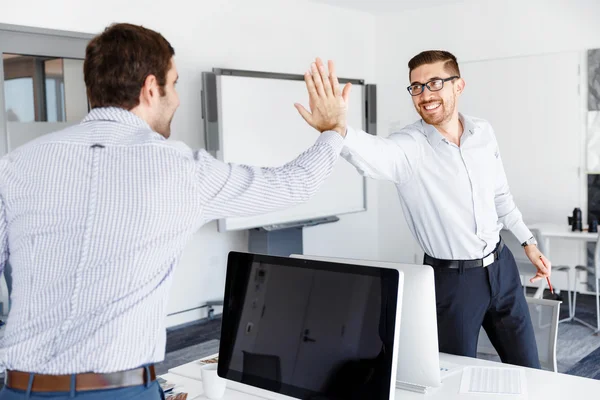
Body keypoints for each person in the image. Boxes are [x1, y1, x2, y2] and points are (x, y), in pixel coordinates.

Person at [0, 23, 351, 399]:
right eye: (175, 83)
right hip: (120, 391)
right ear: (152, 88)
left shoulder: (16, 165)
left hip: (19, 388)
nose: (179, 99)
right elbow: (294, 183)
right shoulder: (180, 170)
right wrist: (333, 130)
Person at [326, 51, 550, 368]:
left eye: (434, 83)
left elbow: (500, 194)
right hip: (453, 283)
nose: (424, 95)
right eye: (416, 87)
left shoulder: (482, 132)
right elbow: (375, 154)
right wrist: (338, 129)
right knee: (455, 377)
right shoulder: (410, 147)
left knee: (529, 369)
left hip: (503, 268)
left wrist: (529, 243)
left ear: (458, 86)